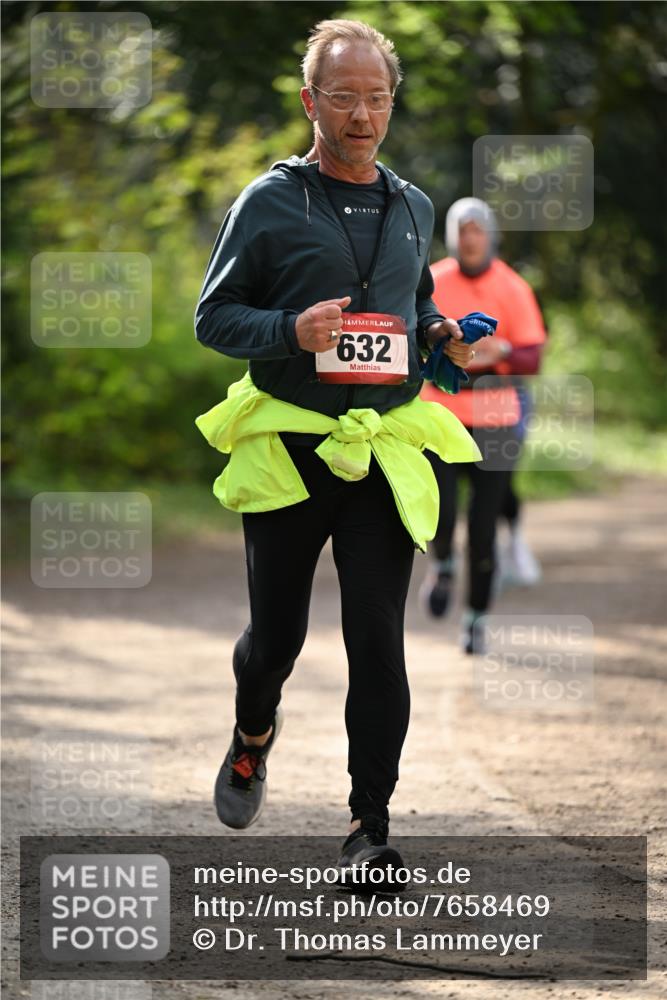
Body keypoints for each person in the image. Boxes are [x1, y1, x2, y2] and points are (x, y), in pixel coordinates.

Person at [194, 20, 479, 875]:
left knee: (376, 638)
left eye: (377, 97)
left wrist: (440, 336)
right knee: (275, 639)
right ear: (310, 100)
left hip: (382, 448)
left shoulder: (412, 204)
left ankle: (369, 828)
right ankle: (251, 736)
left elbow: (413, 303)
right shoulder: (270, 201)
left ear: (392, 101)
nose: (362, 115)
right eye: (344, 97)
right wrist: (291, 327)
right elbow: (214, 318)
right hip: (291, 446)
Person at [419, 198, 547, 653]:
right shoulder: (432, 279)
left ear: (490, 234)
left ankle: (475, 618)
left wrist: (504, 352)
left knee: (483, 525)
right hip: (440, 414)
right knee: (440, 510)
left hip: (496, 417)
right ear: (453, 235)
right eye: (463, 229)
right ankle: (444, 565)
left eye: (478, 229)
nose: (471, 238)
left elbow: (533, 358)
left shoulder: (512, 287)